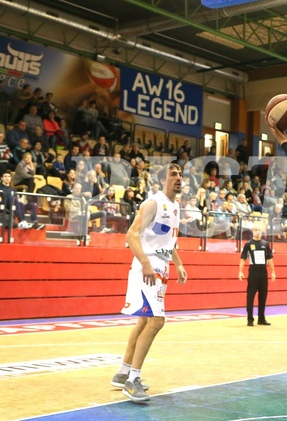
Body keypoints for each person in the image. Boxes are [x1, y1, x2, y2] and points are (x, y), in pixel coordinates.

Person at [110, 163, 187, 403]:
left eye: (180, 174)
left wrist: (179, 263)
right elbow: (131, 235)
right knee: (156, 321)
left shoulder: (174, 207)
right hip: (147, 268)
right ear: (162, 180)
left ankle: (123, 373)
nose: (178, 178)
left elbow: (169, 241)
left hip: (160, 268)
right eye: (173, 174)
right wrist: (144, 263)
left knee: (144, 321)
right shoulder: (153, 203)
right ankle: (133, 380)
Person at [238, 224, 275, 326]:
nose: (257, 231)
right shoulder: (248, 244)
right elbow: (243, 258)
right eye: (255, 230)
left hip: (263, 271)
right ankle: (250, 319)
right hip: (253, 271)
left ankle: (261, 318)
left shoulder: (266, 244)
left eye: (259, 229)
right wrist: (240, 271)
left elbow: (270, 259)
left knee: (263, 296)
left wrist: (273, 272)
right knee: (250, 296)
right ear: (252, 231)